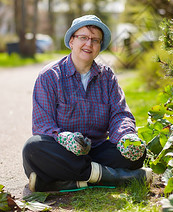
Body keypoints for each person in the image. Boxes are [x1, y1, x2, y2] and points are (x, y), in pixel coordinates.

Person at [22, 14, 152, 192]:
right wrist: (63, 137)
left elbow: (119, 114)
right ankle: (112, 177)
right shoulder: (50, 76)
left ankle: (63, 181)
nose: (89, 44)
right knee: (33, 148)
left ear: (100, 46)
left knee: (137, 153)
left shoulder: (107, 76)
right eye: (83, 37)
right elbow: (42, 125)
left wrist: (125, 137)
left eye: (95, 40)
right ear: (71, 42)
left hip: (97, 151)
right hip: (62, 152)